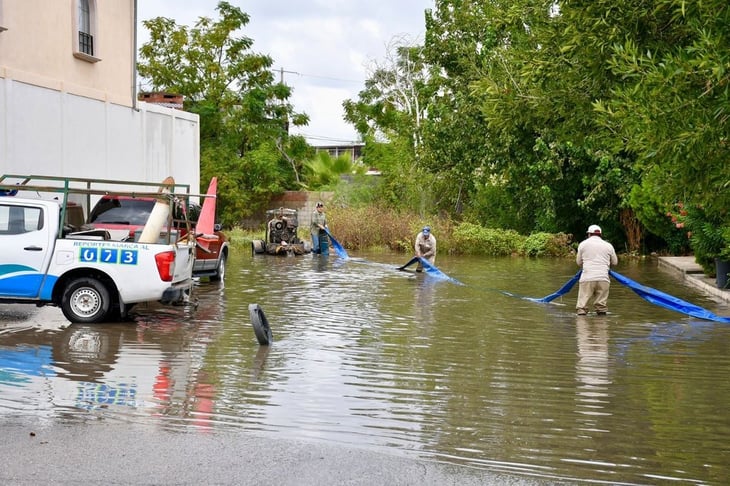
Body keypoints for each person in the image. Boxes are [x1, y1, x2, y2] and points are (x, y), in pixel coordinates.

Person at [576, 224, 618, 315]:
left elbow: (579, 262)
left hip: (587, 278)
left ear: (589, 234)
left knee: (582, 308)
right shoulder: (608, 245)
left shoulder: (583, 245)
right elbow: (614, 262)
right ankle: (601, 326)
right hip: (603, 278)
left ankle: (582, 326)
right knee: (601, 308)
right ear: (600, 235)